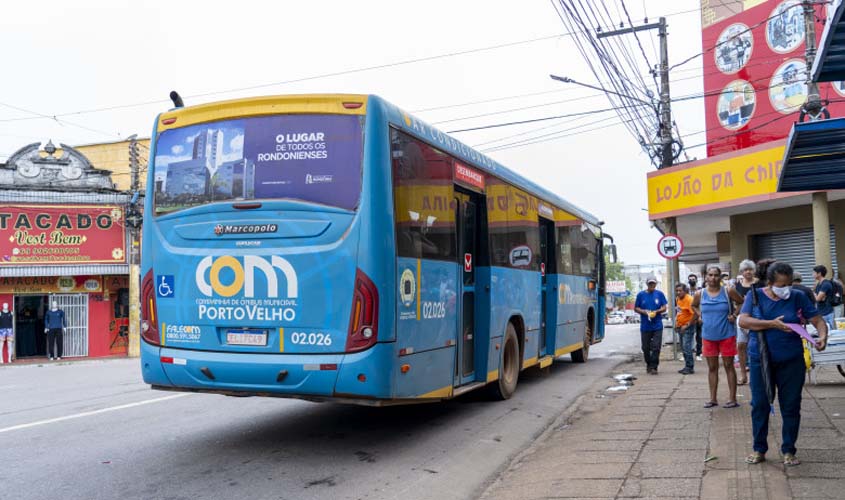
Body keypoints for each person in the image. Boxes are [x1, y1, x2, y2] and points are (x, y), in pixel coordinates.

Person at [739, 260, 828, 466]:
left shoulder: (797, 296)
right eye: (781, 285)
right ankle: (759, 448)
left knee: (791, 405)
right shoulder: (754, 296)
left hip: (791, 360)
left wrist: (822, 337)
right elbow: (743, 321)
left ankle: (789, 449)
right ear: (769, 283)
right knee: (759, 404)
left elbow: (818, 321)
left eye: (788, 284)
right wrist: (772, 324)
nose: (786, 289)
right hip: (761, 359)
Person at [692, 266, 745, 408]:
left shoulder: (728, 291)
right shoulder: (700, 294)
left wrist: (734, 315)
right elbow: (694, 306)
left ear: (720, 277)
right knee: (712, 368)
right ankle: (712, 399)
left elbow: (741, 302)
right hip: (708, 335)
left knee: (728, 365)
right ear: (706, 277)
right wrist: (700, 316)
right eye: (710, 275)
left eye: (716, 275)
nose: (713, 278)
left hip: (727, 334)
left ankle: (732, 398)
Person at [634, 276, 668, 375]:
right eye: (650, 284)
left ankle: (654, 366)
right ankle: (648, 364)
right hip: (645, 326)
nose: (652, 285)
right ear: (647, 284)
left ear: (656, 284)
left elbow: (664, 307)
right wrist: (645, 312)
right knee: (645, 347)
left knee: (656, 347)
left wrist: (657, 311)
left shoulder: (659, 294)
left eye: (653, 283)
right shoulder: (641, 295)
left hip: (657, 325)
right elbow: (636, 308)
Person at [734, 259, 758, 385]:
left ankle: (757, 374)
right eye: (745, 270)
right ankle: (743, 375)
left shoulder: (759, 284)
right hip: (741, 318)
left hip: (756, 318)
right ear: (741, 272)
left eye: (750, 269)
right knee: (741, 346)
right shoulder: (738, 284)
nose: (748, 272)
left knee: (756, 346)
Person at [675, 283, 696, 374]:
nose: (678, 292)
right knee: (683, 347)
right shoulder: (678, 299)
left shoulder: (689, 300)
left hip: (688, 326)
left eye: (680, 291)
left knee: (687, 346)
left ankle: (690, 367)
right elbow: (679, 312)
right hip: (680, 326)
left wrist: (687, 325)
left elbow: (695, 314)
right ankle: (687, 366)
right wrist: (677, 324)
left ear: (685, 291)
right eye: (677, 291)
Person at [813, 265, 836, 331]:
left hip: (827, 312)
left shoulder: (826, 284)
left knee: (829, 332)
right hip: (821, 312)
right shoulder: (818, 284)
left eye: (814, 273)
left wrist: (814, 294)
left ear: (819, 273)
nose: (813, 274)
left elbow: (818, 299)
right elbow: (818, 297)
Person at [688, 273, 704, 361]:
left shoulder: (700, 291)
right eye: (690, 279)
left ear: (696, 280)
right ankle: (688, 353)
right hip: (689, 316)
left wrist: (699, 315)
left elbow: (701, 304)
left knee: (699, 335)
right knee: (689, 335)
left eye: (693, 279)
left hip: (698, 315)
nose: (692, 281)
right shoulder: (686, 291)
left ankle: (699, 353)